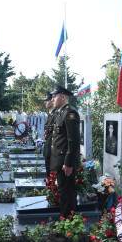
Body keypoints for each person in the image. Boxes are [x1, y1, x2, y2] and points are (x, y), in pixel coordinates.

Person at [50, 83, 79, 218]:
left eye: (55, 96)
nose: (52, 99)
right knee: (62, 191)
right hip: (59, 160)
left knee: (67, 192)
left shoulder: (70, 113)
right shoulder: (60, 113)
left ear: (63, 97)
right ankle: (65, 218)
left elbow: (73, 140)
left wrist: (68, 163)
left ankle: (68, 220)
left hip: (65, 162)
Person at [43, 92, 56, 178]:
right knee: (48, 174)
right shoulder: (50, 115)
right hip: (48, 149)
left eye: (47, 100)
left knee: (52, 175)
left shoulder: (56, 114)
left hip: (53, 150)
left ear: (52, 101)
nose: (45, 102)